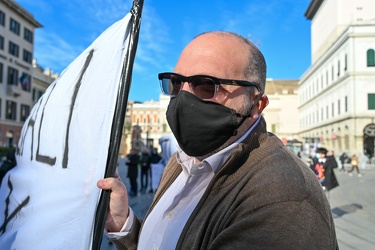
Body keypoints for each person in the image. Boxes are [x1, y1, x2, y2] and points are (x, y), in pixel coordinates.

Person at [97, 31, 338, 249]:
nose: (183, 98)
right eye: (176, 83)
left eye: (206, 85)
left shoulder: (283, 200)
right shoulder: (182, 161)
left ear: (256, 104)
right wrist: (123, 225)